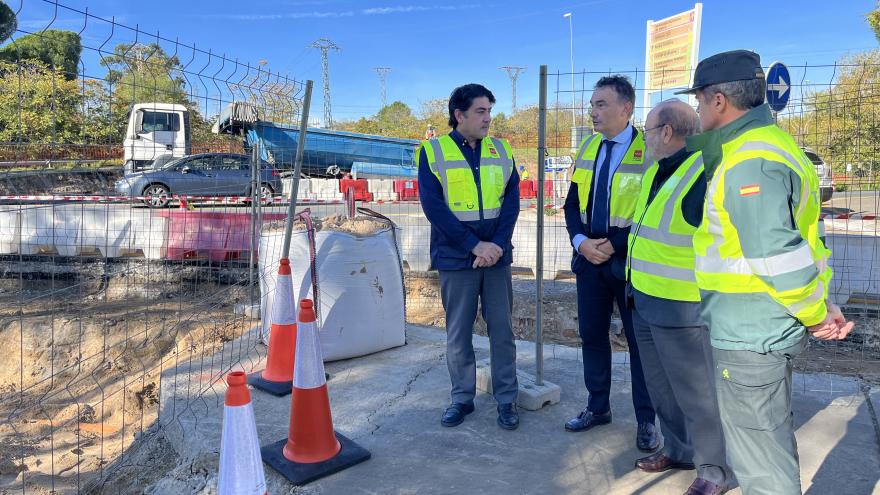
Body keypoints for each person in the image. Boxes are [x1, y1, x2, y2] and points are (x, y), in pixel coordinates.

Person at [678, 49, 854, 494]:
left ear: (718, 101)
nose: (697, 110)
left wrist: (816, 314)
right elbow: (804, 241)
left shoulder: (747, 160)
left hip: (752, 330)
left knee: (758, 454)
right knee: (769, 440)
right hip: (768, 321)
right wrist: (820, 302)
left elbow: (775, 252)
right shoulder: (774, 145)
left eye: (699, 100)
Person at [627, 99, 730, 495]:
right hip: (644, 299)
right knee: (661, 387)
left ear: (667, 132)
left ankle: (713, 471)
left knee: (698, 393)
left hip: (683, 306)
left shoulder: (700, 172)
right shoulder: (656, 170)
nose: (644, 139)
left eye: (648, 130)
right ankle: (679, 448)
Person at [417, 84, 521, 430]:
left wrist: (498, 246)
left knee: (502, 330)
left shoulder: (502, 150)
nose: (488, 118)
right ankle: (462, 398)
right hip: (457, 257)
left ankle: (507, 399)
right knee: (458, 332)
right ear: (459, 115)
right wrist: (473, 246)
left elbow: (511, 203)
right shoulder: (433, 151)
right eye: (481, 112)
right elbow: (435, 208)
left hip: (496, 258)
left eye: (489, 111)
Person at [563, 75, 657, 451]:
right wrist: (582, 242)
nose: (593, 112)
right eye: (592, 104)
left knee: (639, 343)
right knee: (592, 336)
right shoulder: (588, 148)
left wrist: (612, 246)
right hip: (589, 262)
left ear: (626, 108)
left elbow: (651, 213)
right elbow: (572, 204)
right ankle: (597, 406)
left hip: (628, 265)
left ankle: (647, 420)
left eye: (601, 104)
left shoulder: (650, 150)